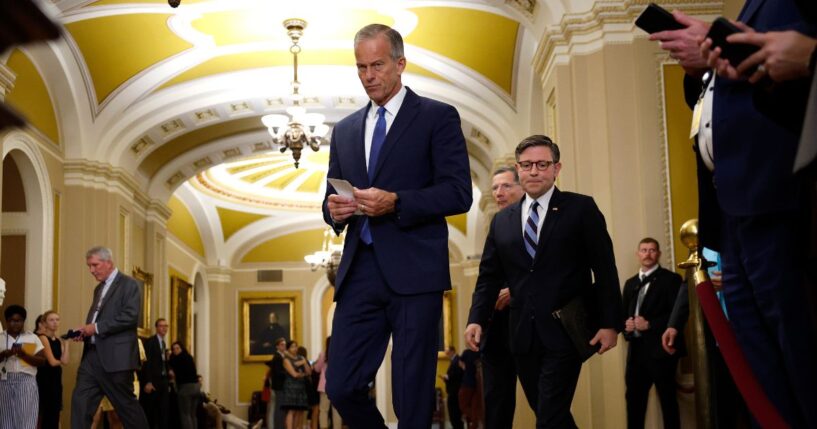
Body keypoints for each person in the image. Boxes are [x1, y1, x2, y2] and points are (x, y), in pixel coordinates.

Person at [650, 3, 817, 426]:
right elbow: (722, 99)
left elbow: (785, 81)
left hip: (776, 194)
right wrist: (705, 66)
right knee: (761, 363)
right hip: (732, 211)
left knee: (798, 355)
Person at [322, 22, 472, 428]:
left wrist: (397, 202)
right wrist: (333, 211)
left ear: (400, 63)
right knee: (341, 386)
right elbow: (330, 195)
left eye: (377, 65)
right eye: (360, 68)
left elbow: (459, 193)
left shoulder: (437, 117)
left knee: (412, 398)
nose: (368, 76)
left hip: (415, 271)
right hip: (359, 271)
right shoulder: (346, 129)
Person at [464, 135, 622, 428]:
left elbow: (605, 269)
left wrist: (610, 323)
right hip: (521, 335)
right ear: (518, 168)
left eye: (541, 164)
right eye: (527, 165)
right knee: (551, 414)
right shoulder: (503, 221)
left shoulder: (581, 209)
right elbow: (488, 277)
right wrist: (476, 318)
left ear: (556, 168)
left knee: (549, 416)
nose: (534, 171)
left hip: (565, 331)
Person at [70, 246, 149, 428]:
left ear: (109, 263)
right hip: (91, 357)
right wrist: (85, 333)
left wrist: (95, 328)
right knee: (80, 403)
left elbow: (130, 317)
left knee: (127, 408)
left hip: (117, 359)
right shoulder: (98, 289)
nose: (91, 270)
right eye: (89, 266)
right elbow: (98, 319)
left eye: (95, 265)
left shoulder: (129, 284)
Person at [621, 238, 683, 429]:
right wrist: (627, 327)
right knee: (634, 404)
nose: (647, 254)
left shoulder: (671, 279)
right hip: (636, 353)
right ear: (637, 254)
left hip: (661, 352)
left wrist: (650, 324)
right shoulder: (630, 283)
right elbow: (623, 315)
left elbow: (677, 314)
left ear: (658, 254)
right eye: (644, 250)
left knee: (668, 403)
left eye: (652, 250)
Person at [481, 166, 524, 429]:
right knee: (496, 404)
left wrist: (516, 292)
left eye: (506, 186)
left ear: (522, 188)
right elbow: (486, 277)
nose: (499, 193)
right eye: (495, 188)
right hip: (496, 330)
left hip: (530, 325)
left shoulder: (538, 222)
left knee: (547, 406)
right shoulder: (496, 224)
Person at [0, 304, 45, 429]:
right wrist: (4, 354)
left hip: (26, 380)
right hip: (4, 380)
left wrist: (24, 355)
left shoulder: (32, 337)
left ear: (23, 321)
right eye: (12, 321)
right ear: (7, 321)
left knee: (26, 419)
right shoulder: (1, 338)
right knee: (5, 419)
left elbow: (42, 361)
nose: (15, 324)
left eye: (19, 321)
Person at [36, 310, 70, 429]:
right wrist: (59, 361)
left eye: (57, 319)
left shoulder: (59, 340)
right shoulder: (43, 338)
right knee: (46, 414)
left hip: (55, 379)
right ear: (44, 323)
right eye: (51, 320)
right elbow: (52, 362)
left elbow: (65, 361)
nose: (55, 322)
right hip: (45, 380)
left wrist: (66, 344)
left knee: (55, 413)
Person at [140, 318, 171, 429]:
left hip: (163, 381)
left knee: (163, 412)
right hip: (153, 381)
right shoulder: (150, 342)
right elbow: (146, 364)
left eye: (166, 326)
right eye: (162, 326)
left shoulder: (163, 343)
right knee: (151, 412)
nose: (164, 328)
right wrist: (148, 381)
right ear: (157, 328)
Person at [278, 340, 310, 429]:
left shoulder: (301, 357)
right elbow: (294, 374)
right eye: (292, 346)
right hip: (290, 387)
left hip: (301, 387)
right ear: (288, 349)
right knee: (291, 410)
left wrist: (305, 363)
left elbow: (309, 372)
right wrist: (303, 371)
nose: (295, 348)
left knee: (299, 410)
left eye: (296, 346)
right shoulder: (286, 360)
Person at [168, 341, 199, 429]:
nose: (175, 351)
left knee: (185, 415)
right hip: (196, 387)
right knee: (193, 415)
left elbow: (169, 365)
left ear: (182, 348)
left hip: (186, 388)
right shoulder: (189, 357)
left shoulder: (176, 359)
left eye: (177, 348)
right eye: (173, 349)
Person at [312, 337, 341, 429]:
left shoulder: (323, 354)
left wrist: (315, 364)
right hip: (337, 385)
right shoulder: (340, 354)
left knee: (323, 410)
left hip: (324, 385)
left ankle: (324, 427)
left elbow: (317, 369)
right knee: (337, 410)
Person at [265, 337, 287, 429]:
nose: (284, 346)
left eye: (285, 344)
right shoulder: (277, 357)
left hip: (280, 386)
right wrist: (288, 373)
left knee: (280, 409)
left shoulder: (281, 356)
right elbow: (278, 373)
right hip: (279, 387)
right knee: (279, 409)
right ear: (277, 346)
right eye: (282, 344)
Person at [440, 346, 463, 429]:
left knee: (455, 414)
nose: (447, 354)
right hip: (453, 391)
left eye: (448, 352)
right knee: (454, 415)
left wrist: (447, 377)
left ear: (452, 351)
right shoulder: (454, 360)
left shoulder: (457, 360)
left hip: (455, 392)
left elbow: (458, 373)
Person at [297, 346, 319, 429]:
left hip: (302, 386)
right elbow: (309, 372)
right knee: (313, 409)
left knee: (303, 411)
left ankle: (304, 426)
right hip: (307, 386)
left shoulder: (296, 361)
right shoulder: (304, 361)